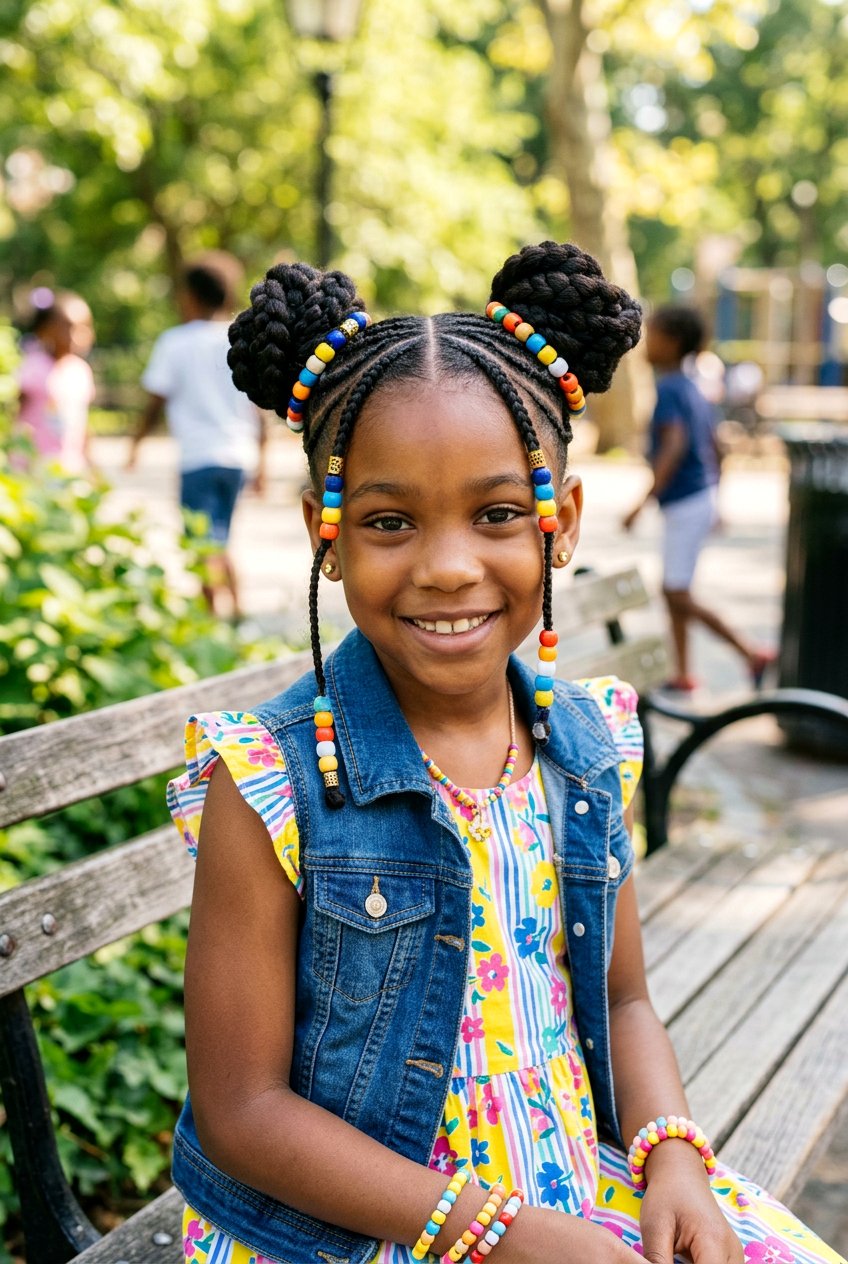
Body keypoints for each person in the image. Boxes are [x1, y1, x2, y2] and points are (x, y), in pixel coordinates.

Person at [167, 245, 843, 1264]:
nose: (447, 567)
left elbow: (620, 999)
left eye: (495, 514)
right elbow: (241, 1110)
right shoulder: (269, 781)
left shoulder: (582, 747)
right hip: (360, 1228)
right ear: (326, 531)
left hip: (560, 1186)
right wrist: (495, 1228)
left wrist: (669, 1159)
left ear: (557, 524)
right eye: (389, 521)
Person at [622, 304, 775, 692]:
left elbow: (675, 445)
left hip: (686, 501)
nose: (645, 341)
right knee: (677, 590)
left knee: (675, 592)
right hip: (696, 498)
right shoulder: (692, 386)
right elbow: (716, 447)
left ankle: (750, 651)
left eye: (652, 333)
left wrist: (642, 501)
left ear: (671, 342)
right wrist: (715, 499)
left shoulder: (671, 388)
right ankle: (683, 672)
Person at [129, 251, 267, 620]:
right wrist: (263, 461)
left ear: (189, 296)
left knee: (202, 544)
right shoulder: (239, 340)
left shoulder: (175, 343)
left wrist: (135, 445)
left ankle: (213, 621)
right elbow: (258, 407)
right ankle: (238, 612)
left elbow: (154, 402)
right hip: (238, 456)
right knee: (220, 538)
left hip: (199, 459)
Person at [16, 288, 96, 474]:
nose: (75, 335)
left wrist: (90, 462)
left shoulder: (81, 371)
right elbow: (15, 413)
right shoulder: (32, 368)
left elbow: (83, 421)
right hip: (34, 465)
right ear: (44, 330)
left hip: (69, 467)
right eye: (67, 327)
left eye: (83, 327)